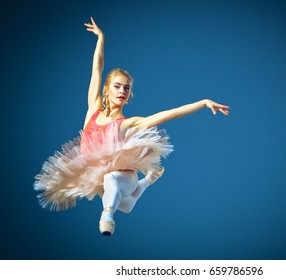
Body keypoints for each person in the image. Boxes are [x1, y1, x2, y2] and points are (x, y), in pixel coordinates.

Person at [34, 17, 230, 236]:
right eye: (117, 86)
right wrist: (101, 38)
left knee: (112, 183)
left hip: (124, 174)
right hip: (100, 176)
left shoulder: (128, 123)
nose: (122, 91)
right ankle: (148, 181)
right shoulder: (93, 110)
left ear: (128, 95)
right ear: (107, 90)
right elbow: (97, 70)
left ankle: (107, 215)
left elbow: (169, 115)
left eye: (126, 89)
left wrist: (202, 103)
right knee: (126, 205)